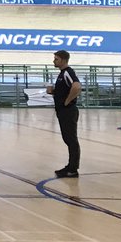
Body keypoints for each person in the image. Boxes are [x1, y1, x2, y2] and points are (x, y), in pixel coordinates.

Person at [48, 50, 82, 178]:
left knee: (71, 140)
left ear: (62, 60)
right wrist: (54, 92)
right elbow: (65, 90)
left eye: (56, 59)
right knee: (67, 139)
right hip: (63, 111)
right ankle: (70, 166)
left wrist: (67, 101)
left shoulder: (68, 72)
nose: (54, 61)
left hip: (68, 111)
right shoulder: (62, 74)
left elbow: (77, 87)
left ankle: (73, 169)